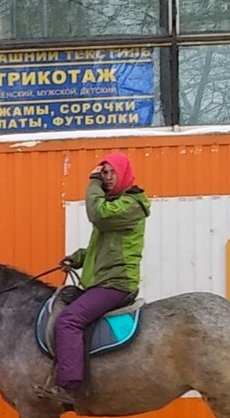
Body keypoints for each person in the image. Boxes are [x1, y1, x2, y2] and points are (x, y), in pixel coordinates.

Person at [44, 150, 151, 402]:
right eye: (104, 173)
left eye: (112, 172)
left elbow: (98, 215)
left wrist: (92, 182)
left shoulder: (131, 205)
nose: (107, 177)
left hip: (116, 283)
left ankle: (69, 386)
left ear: (124, 173)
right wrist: (78, 258)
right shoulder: (115, 203)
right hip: (101, 281)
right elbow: (101, 246)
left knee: (69, 320)